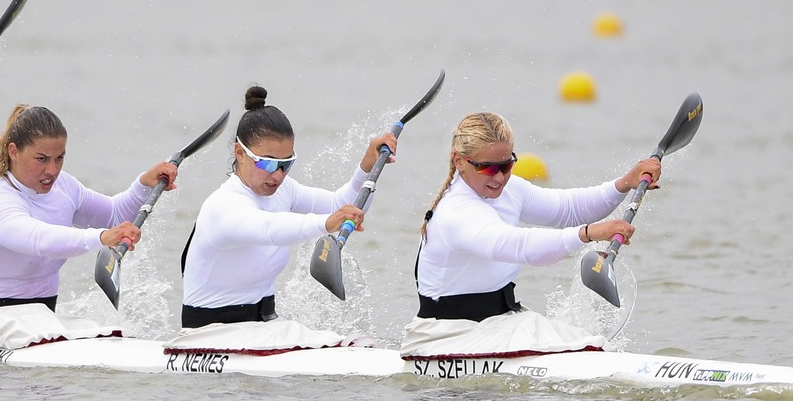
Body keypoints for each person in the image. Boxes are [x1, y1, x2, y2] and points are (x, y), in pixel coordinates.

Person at [401, 111, 662, 358]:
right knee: (585, 349)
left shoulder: (509, 189)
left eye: (506, 165)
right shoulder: (457, 211)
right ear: (460, 161)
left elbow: (568, 209)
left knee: (594, 345)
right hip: (446, 335)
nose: (500, 177)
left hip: (500, 321)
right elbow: (518, 246)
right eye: (488, 168)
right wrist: (588, 233)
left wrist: (624, 183)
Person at [180, 85, 399, 329]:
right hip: (208, 334)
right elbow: (269, 229)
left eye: (287, 164)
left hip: (261, 326)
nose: (278, 175)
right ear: (240, 153)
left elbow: (343, 205)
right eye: (268, 163)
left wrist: (367, 167)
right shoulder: (222, 206)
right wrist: (326, 223)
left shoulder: (284, 190)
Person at [0, 104, 178, 311]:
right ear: (13, 151)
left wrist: (143, 185)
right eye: (41, 159)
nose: (52, 170)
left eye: (59, 158)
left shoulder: (65, 188)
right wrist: (100, 238)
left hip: (41, 317)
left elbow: (114, 216)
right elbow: (40, 239)